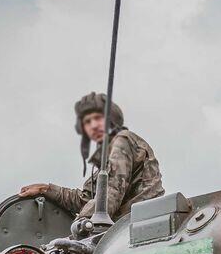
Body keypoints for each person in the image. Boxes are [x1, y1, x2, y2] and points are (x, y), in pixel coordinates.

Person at [18, 91, 163, 222]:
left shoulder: (123, 140)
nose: (93, 126)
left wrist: (80, 227)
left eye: (98, 118)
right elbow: (86, 201)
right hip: (126, 227)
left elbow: (111, 194)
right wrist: (45, 189)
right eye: (87, 122)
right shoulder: (106, 159)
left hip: (140, 222)